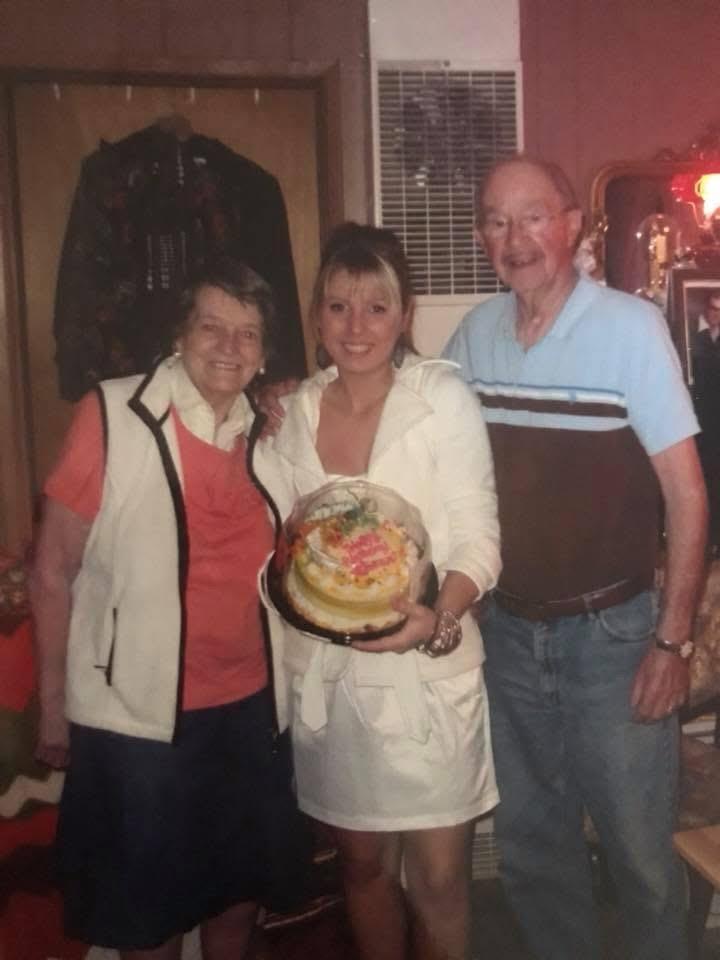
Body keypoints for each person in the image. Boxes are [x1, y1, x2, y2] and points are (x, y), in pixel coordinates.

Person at [443, 155, 708, 960]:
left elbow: (689, 497)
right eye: (495, 219)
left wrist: (672, 641)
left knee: (639, 855)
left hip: (614, 639)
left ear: (571, 225)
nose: (513, 237)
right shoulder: (474, 335)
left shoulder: (632, 329)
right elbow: (409, 428)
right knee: (532, 851)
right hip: (509, 639)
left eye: (532, 216)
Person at [31, 259, 295, 960]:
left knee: (236, 902)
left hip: (250, 713)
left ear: (265, 353)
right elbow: (53, 569)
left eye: (248, 333)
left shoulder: (269, 432)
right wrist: (54, 704)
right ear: (180, 335)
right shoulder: (114, 415)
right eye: (211, 325)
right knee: (150, 922)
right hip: (139, 722)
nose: (229, 346)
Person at [256, 223, 501, 960]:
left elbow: (479, 540)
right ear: (317, 316)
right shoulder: (289, 415)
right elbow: (282, 546)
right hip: (331, 686)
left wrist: (438, 618)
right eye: (338, 307)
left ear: (404, 315)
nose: (355, 327)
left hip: (429, 676)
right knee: (361, 869)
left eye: (376, 308)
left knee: (439, 880)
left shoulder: (442, 399)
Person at [692, 290, 720, 550]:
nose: (716, 315)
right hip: (705, 420)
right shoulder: (697, 340)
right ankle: (711, 539)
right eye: (713, 309)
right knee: (708, 478)